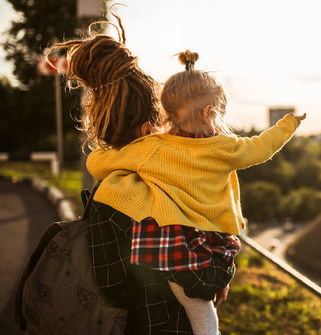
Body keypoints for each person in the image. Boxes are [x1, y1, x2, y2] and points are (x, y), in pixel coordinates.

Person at [85, 49, 306, 334]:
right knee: (202, 312)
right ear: (208, 112)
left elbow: (98, 163)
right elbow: (261, 147)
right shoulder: (224, 148)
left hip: (170, 245)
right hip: (208, 244)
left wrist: (113, 155)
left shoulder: (152, 147)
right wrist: (288, 124)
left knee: (195, 305)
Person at [48, 13, 232, 334]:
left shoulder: (105, 192)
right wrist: (223, 273)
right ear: (149, 128)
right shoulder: (164, 188)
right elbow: (200, 278)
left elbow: (111, 286)